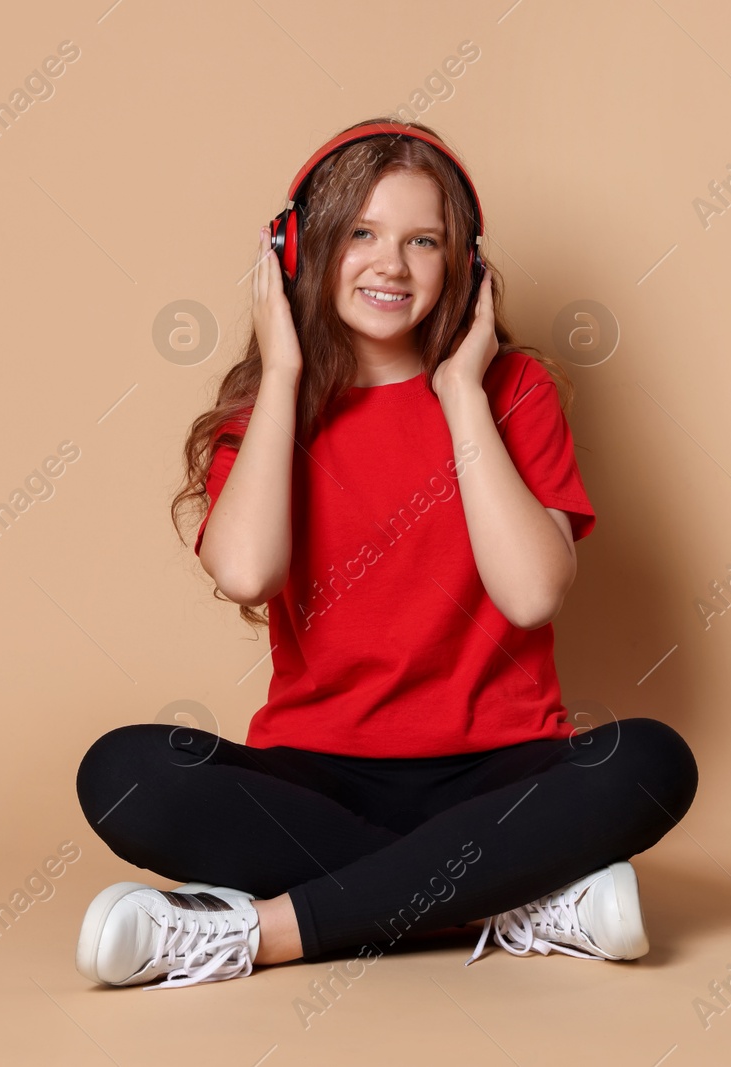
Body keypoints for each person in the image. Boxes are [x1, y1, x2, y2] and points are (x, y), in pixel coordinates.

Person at [73, 118, 698, 990]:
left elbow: (530, 595)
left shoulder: (514, 392)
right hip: (318, 781)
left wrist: (458, 392)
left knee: (649, 762)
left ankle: (257, 933)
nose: (391, 266)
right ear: (300, 251)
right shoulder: (264, 414)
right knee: (126, 772)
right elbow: (247, 571)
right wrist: (286, 374)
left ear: (464, 266)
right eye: (360, 234)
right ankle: (508, 900)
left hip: (500, 772)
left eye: (423, 241)